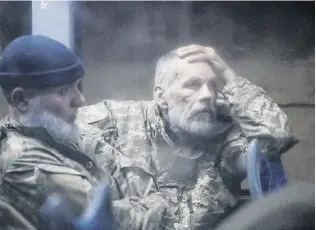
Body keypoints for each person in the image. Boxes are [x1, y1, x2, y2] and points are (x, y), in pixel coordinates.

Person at [78, 44, 299, 229]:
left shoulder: (225, 131)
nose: (207, 95)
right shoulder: (121, 119)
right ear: (161, 97)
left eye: (213, 86)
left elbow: (276, 136)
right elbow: (54, 134)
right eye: (192, 86)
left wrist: (228, 76)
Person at [0, 35, 175, 230]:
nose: (80, 100)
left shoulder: (65, 135)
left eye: (78, 86)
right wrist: (158, 204)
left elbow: (137, 180)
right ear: (21, 100)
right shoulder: (21, 161)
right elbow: (127, 223)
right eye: (63, 91)